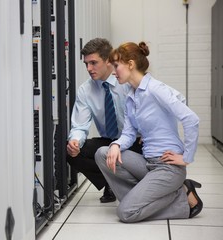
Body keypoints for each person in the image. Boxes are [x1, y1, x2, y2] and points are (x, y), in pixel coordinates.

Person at [95, 41, 203, 223]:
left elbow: (191, 119)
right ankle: (146, 197)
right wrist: (115, 145)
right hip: (148, 163)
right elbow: (129, 134)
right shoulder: (131, 96)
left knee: (125, 213)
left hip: (169, 167)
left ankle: (181, 198)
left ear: (130, 64)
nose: (113, 72)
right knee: (103, 153)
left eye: (116, 66)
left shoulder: (155, 89)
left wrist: (186, 158)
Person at [67, 38, 142, 203]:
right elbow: (80, 125)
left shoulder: (126, 81)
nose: (89, 68)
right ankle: (111, 181)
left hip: (135, 141)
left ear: (109, 61)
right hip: (109, 142)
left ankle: (130, 182)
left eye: (93, 63)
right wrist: (75, 141)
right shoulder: (85, 90)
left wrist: (148, 132)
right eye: (86, 64)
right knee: (71, 153)